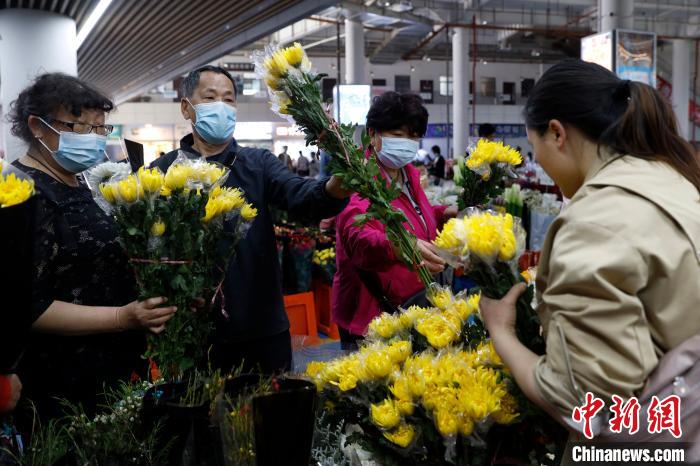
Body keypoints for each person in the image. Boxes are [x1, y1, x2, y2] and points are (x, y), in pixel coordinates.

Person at [480, 60, 700, 447]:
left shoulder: (593, 222)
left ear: (557, 133)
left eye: (534, 149)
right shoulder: (672, 178)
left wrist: (501, 331)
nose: (542, 167)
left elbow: (586, 406)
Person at [151, 66, 351, 373]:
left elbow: (303, 197)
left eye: (229, 100)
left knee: (269, 417)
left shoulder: (257, 164)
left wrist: (335, 187)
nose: (221, 106)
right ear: (186, 107)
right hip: (190, 335)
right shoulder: (161, 172)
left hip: (261, 328)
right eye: (210, 97)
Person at [9, 73, 177, 420]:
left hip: (113, 367)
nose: (94, 138)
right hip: (60, 382)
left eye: (100, 128)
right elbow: (27, 306)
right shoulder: (20, 194)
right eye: (79, 126)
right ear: (37, 127)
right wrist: (122, 317)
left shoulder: (80, 182)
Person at [333, 92, 458, 348]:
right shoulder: (356, 179)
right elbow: (358, 237)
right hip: (372, 317)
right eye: (398, 136)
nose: (408, 143)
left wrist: (442, 213)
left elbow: (414, 214)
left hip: (412, 305)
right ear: (372, 134)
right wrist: (399, 246)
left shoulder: (407, 173)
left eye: (414, 136)